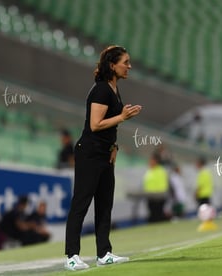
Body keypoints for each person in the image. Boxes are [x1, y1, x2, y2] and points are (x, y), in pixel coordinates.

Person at [64, 45, 141, 271]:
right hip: (89, 153)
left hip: (105, 154)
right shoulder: (101, 90)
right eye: (125, 62)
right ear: (112, 65)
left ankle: (104, 253)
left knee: (105, 204)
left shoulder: (113, 88)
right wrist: (122, 116)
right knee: (81, 203)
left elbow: (107, 128)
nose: (129, 66)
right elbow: (95, 125)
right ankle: (71, 255)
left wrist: (114, 146)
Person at [143, 154, 169, 223]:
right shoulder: (149, 171)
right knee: (152, 215)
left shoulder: (161, 170)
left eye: (152, 160)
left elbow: (163, 185)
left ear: (156, 161)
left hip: (159, 197)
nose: (150, 162)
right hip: (150, 197)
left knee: (158, 215)